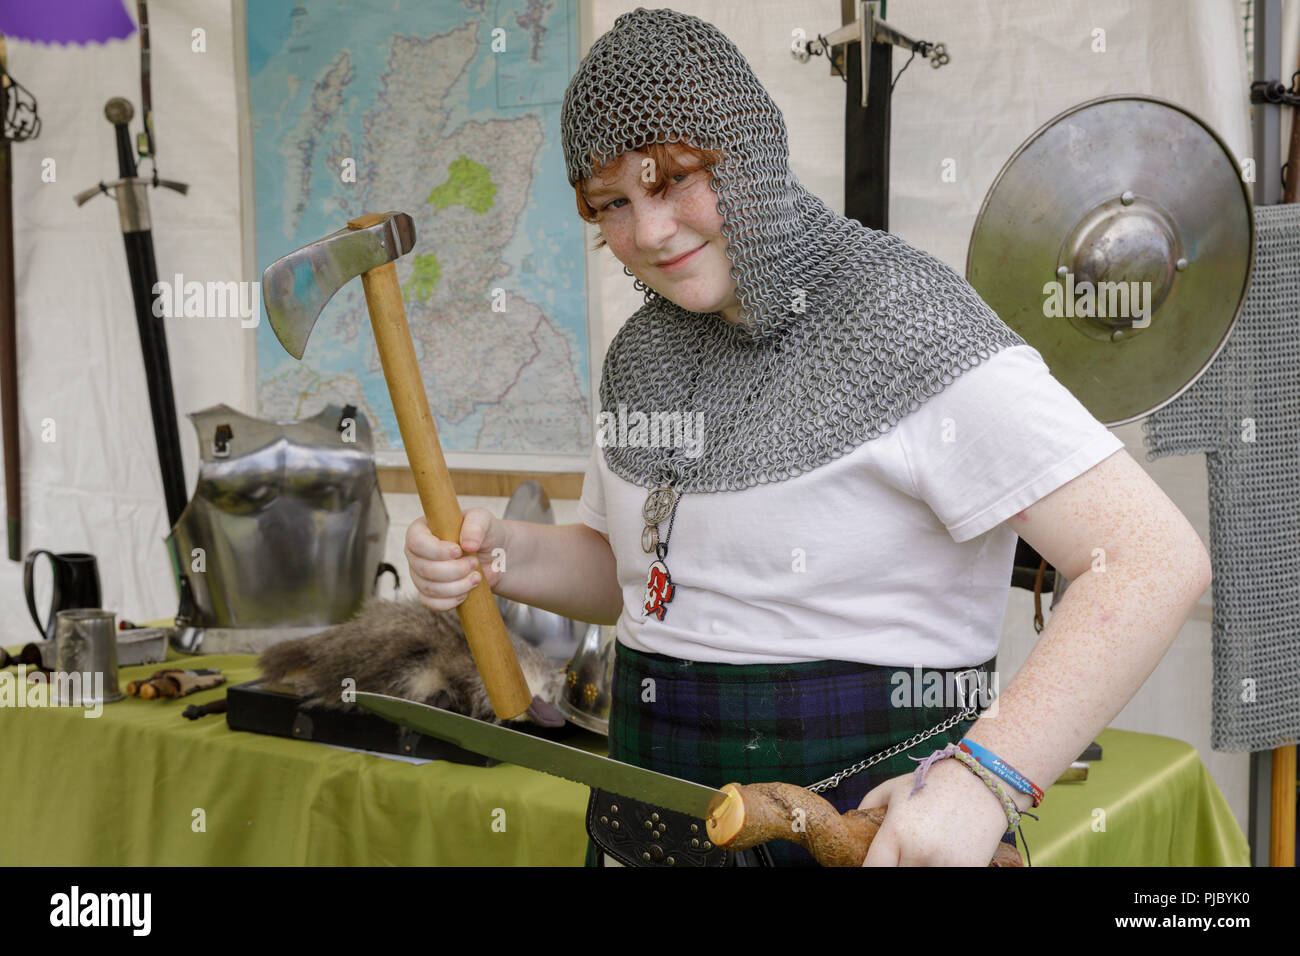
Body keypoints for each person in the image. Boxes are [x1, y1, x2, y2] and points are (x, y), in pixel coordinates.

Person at [404, 8, 1211, 867]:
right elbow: (633, 579)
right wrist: (503, 558)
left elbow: (1151, 560)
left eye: (675, 179)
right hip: (646, 839)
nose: (648, 232)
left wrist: (985, 780)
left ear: (749, 158)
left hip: (870, 839)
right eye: (611, 203)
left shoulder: (902, 322)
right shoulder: (642, 355)